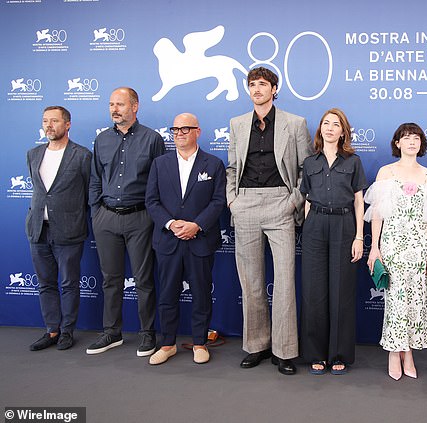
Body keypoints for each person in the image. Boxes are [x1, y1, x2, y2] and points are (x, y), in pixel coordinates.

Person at [226, 67, 313, 375]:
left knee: (285, 280)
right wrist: (233, 202)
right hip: (245, 202)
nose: (257, 89)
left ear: (274, 88)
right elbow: (232, 168)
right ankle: (256, 345)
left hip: (281, 203)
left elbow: (307, 170)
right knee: (250, 281)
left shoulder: (295, 123)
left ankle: (285, 351)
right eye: (252, 84)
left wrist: (292, 202)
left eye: (262, 84)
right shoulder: (237, 124)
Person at [87, 87, 166, 356]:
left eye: (120, 104)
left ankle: (147, 334)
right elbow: (96, 178)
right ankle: (112, 333)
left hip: (140, 218)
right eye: (111, 104)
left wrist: (153, 216)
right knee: (111, 279)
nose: (114, 109)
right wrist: (96, 211)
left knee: (144, 280)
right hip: (106, 217)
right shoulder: (101, 140)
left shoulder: (152, 139)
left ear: (135, 106)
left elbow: (160, 181)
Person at [365, 123, 427, 381]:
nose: (412, 141)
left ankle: (408, 351)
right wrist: (375, 248)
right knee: (395, 300)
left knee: (417, 301)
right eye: (406, 137)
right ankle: (393, 350)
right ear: (397, 143)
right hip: (392, 246)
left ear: (422, 143)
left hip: (419, 246)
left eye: (416, 138)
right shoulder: (385, 173)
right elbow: (377, 214)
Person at [145, 113, 226, 365]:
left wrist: (196, 225)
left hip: (200, 240)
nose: (179, 133)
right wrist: (171, 224)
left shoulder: (213, 164)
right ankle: (167, 344)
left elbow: (218, 201)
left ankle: (200, 343)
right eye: (175, 129)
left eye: (185, 129)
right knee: (167, 294)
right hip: (168, 241)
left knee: (201, 294)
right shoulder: (160, 164)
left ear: (197, 132)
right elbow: (152, 201)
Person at [300, 108, 367, 375]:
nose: (329, 127)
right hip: (315, 225)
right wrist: (307, 229)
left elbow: (359, 200)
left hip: (344, 225)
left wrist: (359, 236)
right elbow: (306, 200)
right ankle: (315, 354)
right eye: (325, 123)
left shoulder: (353, 161)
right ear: (320, 130)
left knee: (341, 292)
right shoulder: (310, 162)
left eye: (335, 124)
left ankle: (338, 354)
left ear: (343, 131)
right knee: (314, 293)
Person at [26, 106, 91, 351]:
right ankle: (51, 330)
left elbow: (88, 192)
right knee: (45, 283)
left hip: (69, 230)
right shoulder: (33, 154)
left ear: (67, 124)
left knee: (69, 283)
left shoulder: (82, 155)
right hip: (37, 229)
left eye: (54, 121)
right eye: (45, 121)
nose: (49, 125)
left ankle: (67, 331)